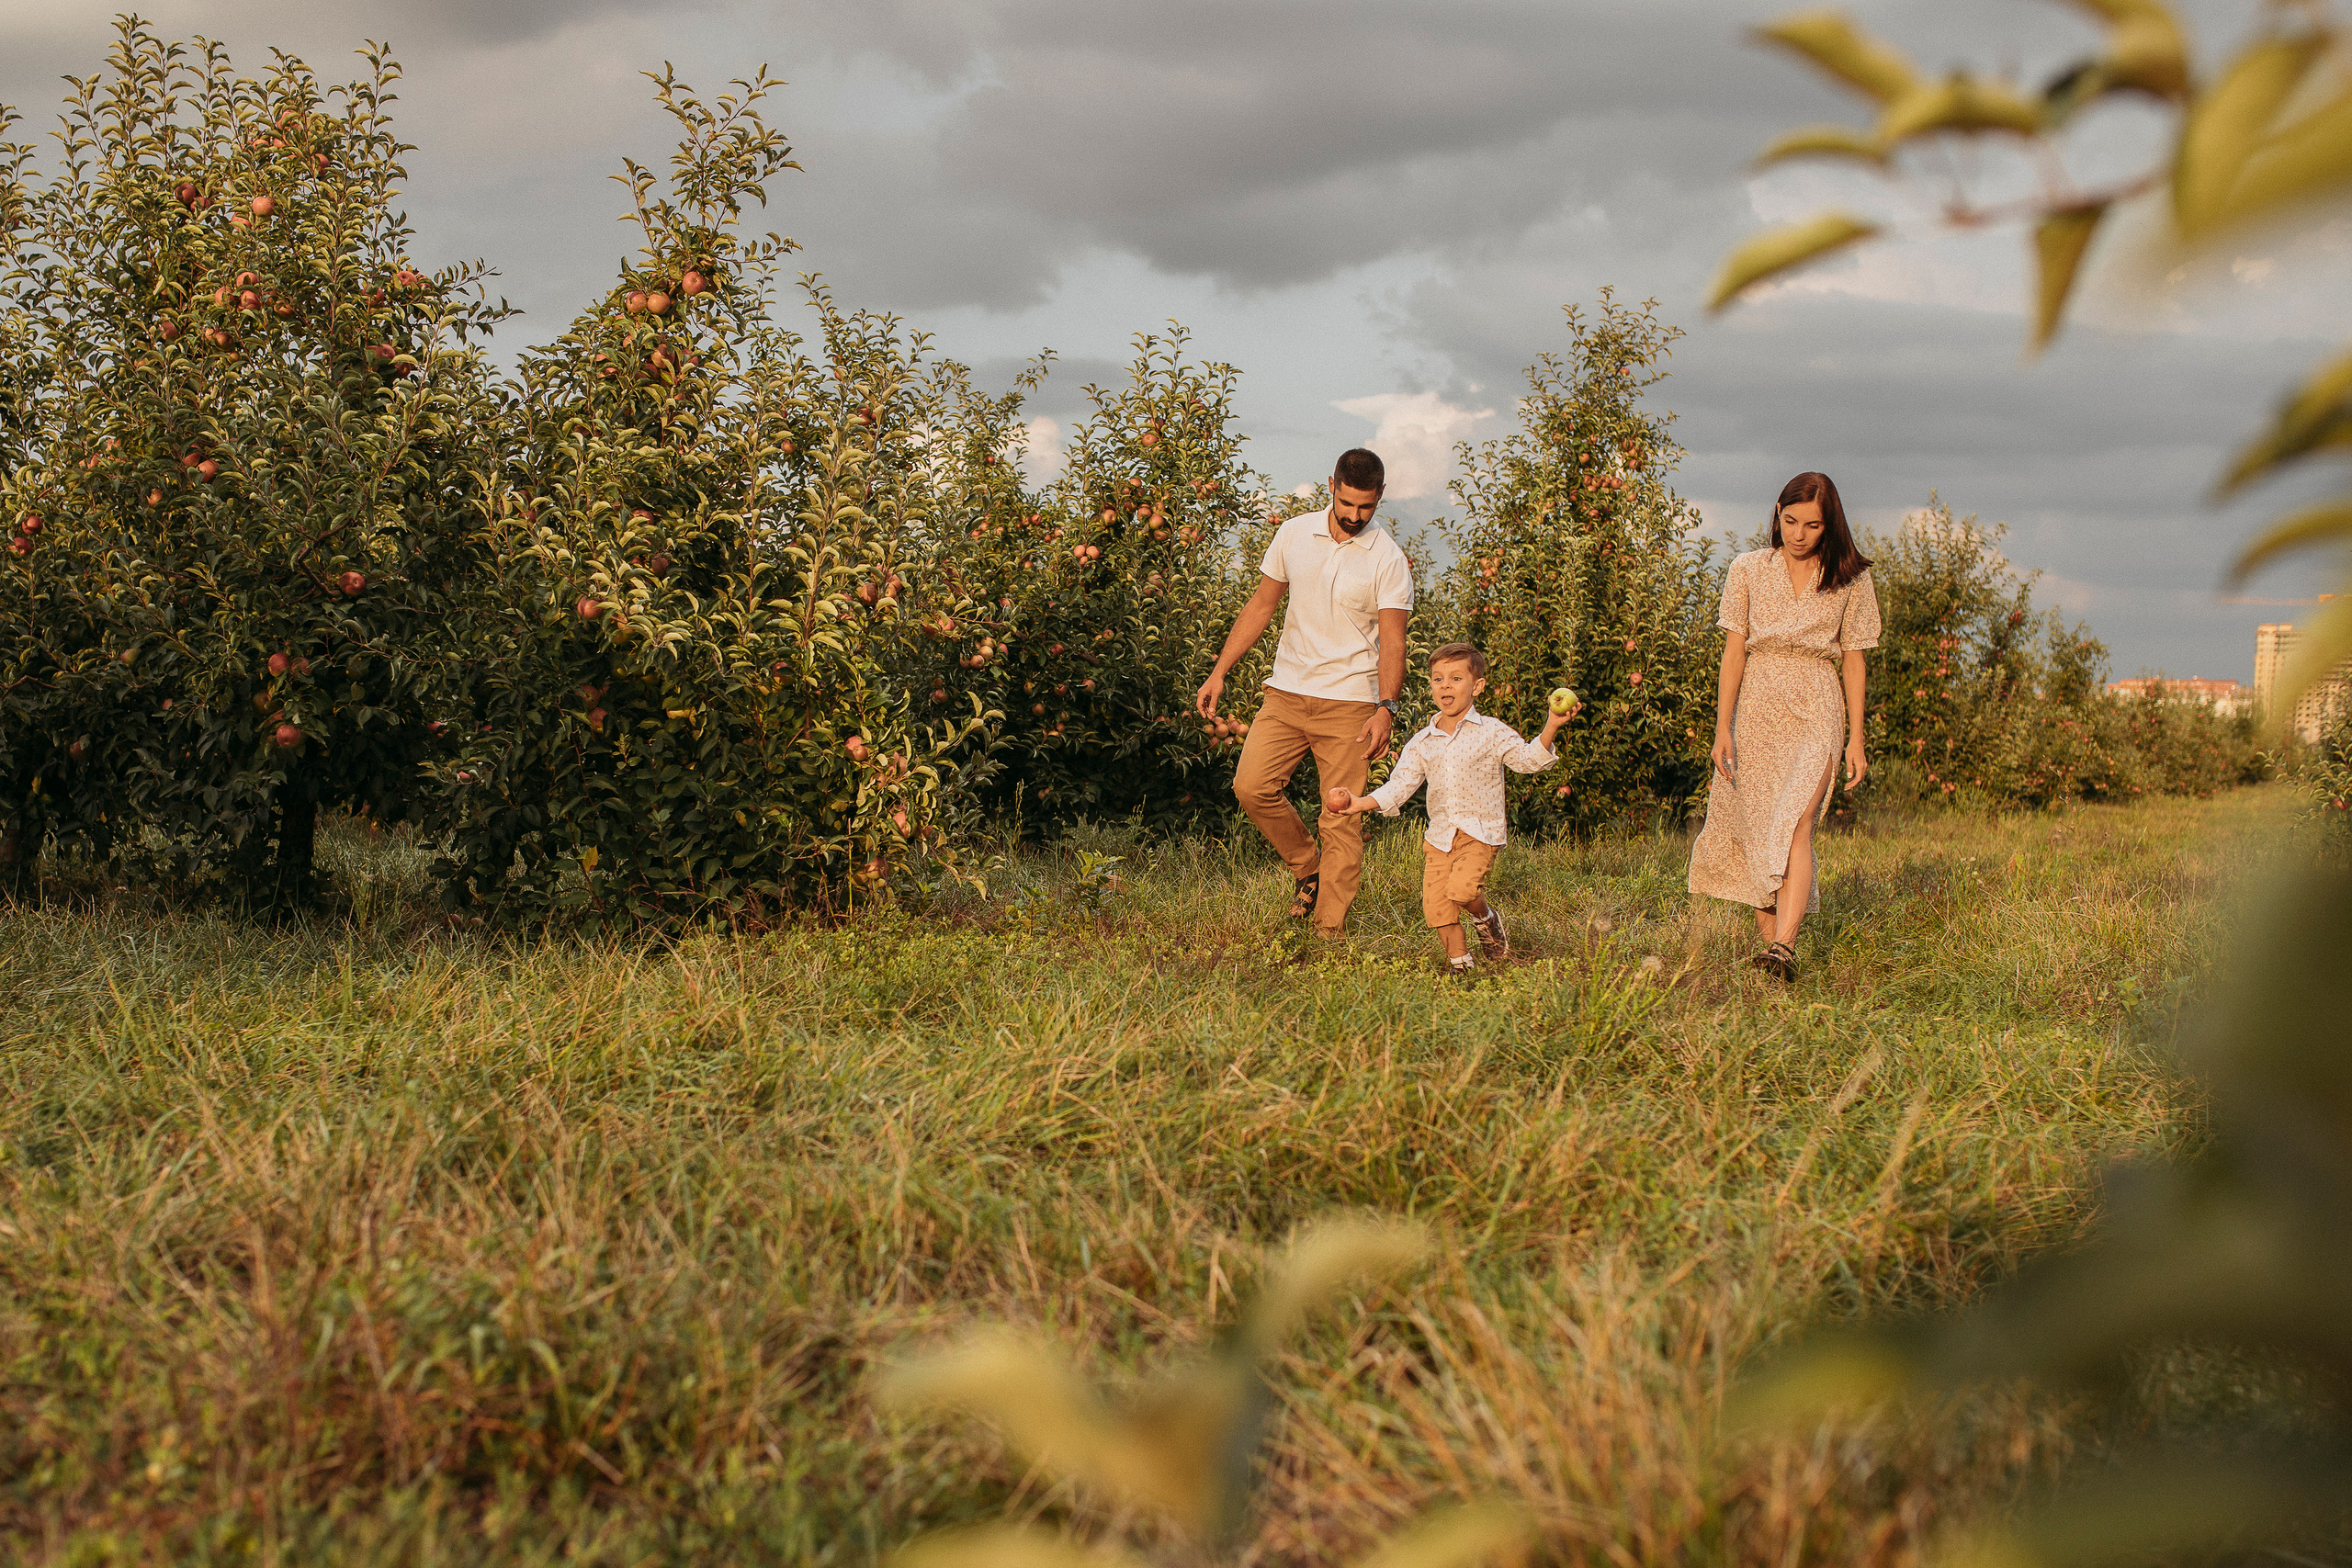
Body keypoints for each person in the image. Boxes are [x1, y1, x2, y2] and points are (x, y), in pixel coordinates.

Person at [1195, 447, 1413, 937]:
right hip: (1287, 693)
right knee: (1250, 787)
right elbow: (1261, 604)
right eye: (1348, 503)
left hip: (1352, 705)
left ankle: (1328, 932)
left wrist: (1387, 708)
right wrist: (1220, 671)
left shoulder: (1389, 559)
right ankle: (1306, 866)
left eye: (1367, 507)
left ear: (1380, 497)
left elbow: (1394, 641)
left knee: (1339, 817)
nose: (1356, 516)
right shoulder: (1293, 533)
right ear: (1331, 485)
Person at [1688, 470, 1880, 982]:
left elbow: (1855, 660)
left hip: (1817, 700)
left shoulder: (1852, 578)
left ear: (1829, 524)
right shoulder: (1747, 569)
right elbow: (1733, 652)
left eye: (1812, 525)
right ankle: (1772, 955)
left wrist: (1857, 739)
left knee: (1797, 821)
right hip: (1756, 705)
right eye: (1790, 520)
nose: (1798, 534)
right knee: (1759, 830)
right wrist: (1721, 726)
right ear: (1777, 512)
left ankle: (1784, 949)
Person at [1330, 642, 1573, 973]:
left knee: (1462, 891)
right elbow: (1401, 786)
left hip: (1480, 832)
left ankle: (1485, 917)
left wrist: (1552, 726)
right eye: (1438, 679)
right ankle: (1461, 966)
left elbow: (1528, 760)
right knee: (1437, 908)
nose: (1445, 686)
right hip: (1440, 837)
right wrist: (1359, 803)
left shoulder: (1491, 731)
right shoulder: (1423, 741)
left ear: (1477, 686)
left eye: (1456, 678)